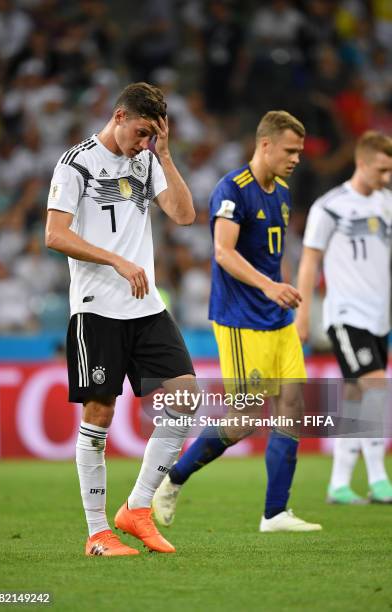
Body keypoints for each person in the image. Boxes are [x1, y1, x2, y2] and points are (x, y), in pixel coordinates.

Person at [45, 82, 197, 557]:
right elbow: (54, 234)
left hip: (145, 306)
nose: (143, 142)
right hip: (97, 306)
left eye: (153, 134)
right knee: (100, 413)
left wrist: (164, 154)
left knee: (187, 397)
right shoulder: (76, 164)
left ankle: (137, 508)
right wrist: (115, 260)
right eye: (141, 132)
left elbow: (185, 215)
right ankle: (97, 534)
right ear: (118, 116)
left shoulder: (147, 161)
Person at [153, 111, 322, 532]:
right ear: (265, 145)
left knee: (292, 408)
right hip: (241, 319)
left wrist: (282, 292)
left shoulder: (281, 192)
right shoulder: (233, 189)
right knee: (244, 419)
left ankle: (275, 512)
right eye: (290, 150)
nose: (296, 158)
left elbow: (273, 254)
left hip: (276, 316)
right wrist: (268, 286)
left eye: (299, 151)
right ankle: (173, 479)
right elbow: (224, 253)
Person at [295, 130, 392, 505]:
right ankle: (380, 479)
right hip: (346, 314)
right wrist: (303, 314)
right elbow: (309, 261)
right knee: (376, 388)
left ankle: (338, 483)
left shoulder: (386, 204)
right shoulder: (330, 207)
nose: (386, 178)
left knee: (355, 394)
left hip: (379, 316)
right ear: (362, 163)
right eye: (381, 170)